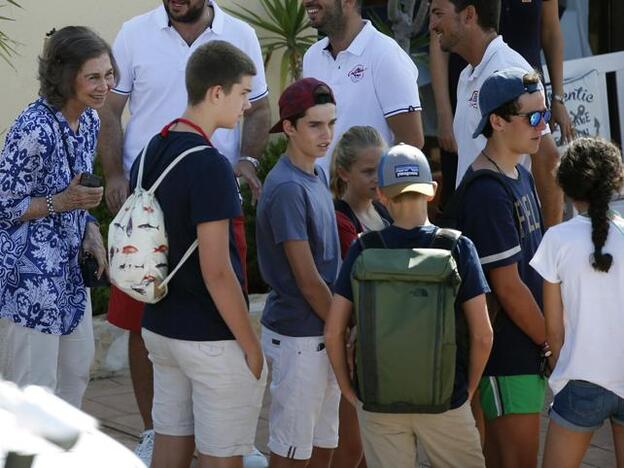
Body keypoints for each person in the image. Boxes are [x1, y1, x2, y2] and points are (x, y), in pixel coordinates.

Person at [99, 1, 271, 463]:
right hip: (208, 337)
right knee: (222, 456)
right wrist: (251, 347)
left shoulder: (155, 146)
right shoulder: (212, 166)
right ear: (216, 93)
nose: (246, 107)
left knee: (170, 447)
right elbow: (217, 271)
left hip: (160, 327)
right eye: (241, 94)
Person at [325, 143, 492, 468]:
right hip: (446, 399)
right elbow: (483, 335)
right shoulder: (457, 246)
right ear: (432, 190)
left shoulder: (363, 249)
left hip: (380, 401)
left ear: (382, 195)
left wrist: (350, 391)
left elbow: (333, 331)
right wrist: (465, 392)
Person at [0, 26, 114, 408]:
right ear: (66, 77)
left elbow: (77, 195)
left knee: (74, 380)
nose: (105, 86)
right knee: (34, 396)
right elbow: (4, 205)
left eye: (109, 75)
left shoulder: (90, 121)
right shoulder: (33, 129)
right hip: (29, 281)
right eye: (94, 77)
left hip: (68, 277)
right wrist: (61, 202)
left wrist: (92, 229)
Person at [456, 68, 549, 468]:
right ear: (496, 121)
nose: (542, 127)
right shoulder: (486, 193)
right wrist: (552, 342)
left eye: (544, 115)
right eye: (532, 117)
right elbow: (507, 288)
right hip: (507, 355)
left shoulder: (519, 175)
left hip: (524, 349)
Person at [255, 78, 341, 468]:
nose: (327, 135)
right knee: (291, 452)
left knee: (323, 443)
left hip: (323, 330)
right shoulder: (288, 187)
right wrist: (346, 327)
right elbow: (307, 280)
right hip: (300, 338)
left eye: (331, 123)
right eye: (315, 125)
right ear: (288, 127)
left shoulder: (317, 174)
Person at [530, 137, 624, 468]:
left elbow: (553, 330)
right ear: (616, 181)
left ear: (565, 188)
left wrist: (560, 367)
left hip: (582, 379)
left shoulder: (555, 240)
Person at [430, 0, 574, 213]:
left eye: (438, 14)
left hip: (502, 228)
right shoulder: (466, 75)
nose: (432, 25)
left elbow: (548, 158)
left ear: (469, 15)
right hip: (481, 225)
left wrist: (547, 239)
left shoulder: (509, 70)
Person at [302, 0, 424, 179]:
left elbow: (411, 142)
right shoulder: (312, 56)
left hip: (367, 202)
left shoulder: (386, 54)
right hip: (321, 200)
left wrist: (374, 196)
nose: (306, 2)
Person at [328, 125, 391, 468]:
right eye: (367, 171)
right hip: (356, 344)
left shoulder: (382, 212)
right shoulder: (340, 219)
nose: (375, 179)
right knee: (350, 449)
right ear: (343, 172)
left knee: (373, 446)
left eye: (380, 170)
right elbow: (344, 287)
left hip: (382, 339)